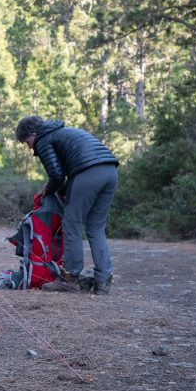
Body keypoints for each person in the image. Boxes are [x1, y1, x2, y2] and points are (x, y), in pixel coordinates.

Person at [15, 115, 119, 295]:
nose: (30, 148)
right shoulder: (64, 132)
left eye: (27, 142)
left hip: (88, 174)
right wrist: (63, 191)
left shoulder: (43, 138)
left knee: (72, 224)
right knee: (96, 228)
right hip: (110, 172)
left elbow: (56, 175)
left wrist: (47, 190)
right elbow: (68, 171)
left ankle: (69, 279)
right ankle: (103, 280)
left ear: (33, 134)